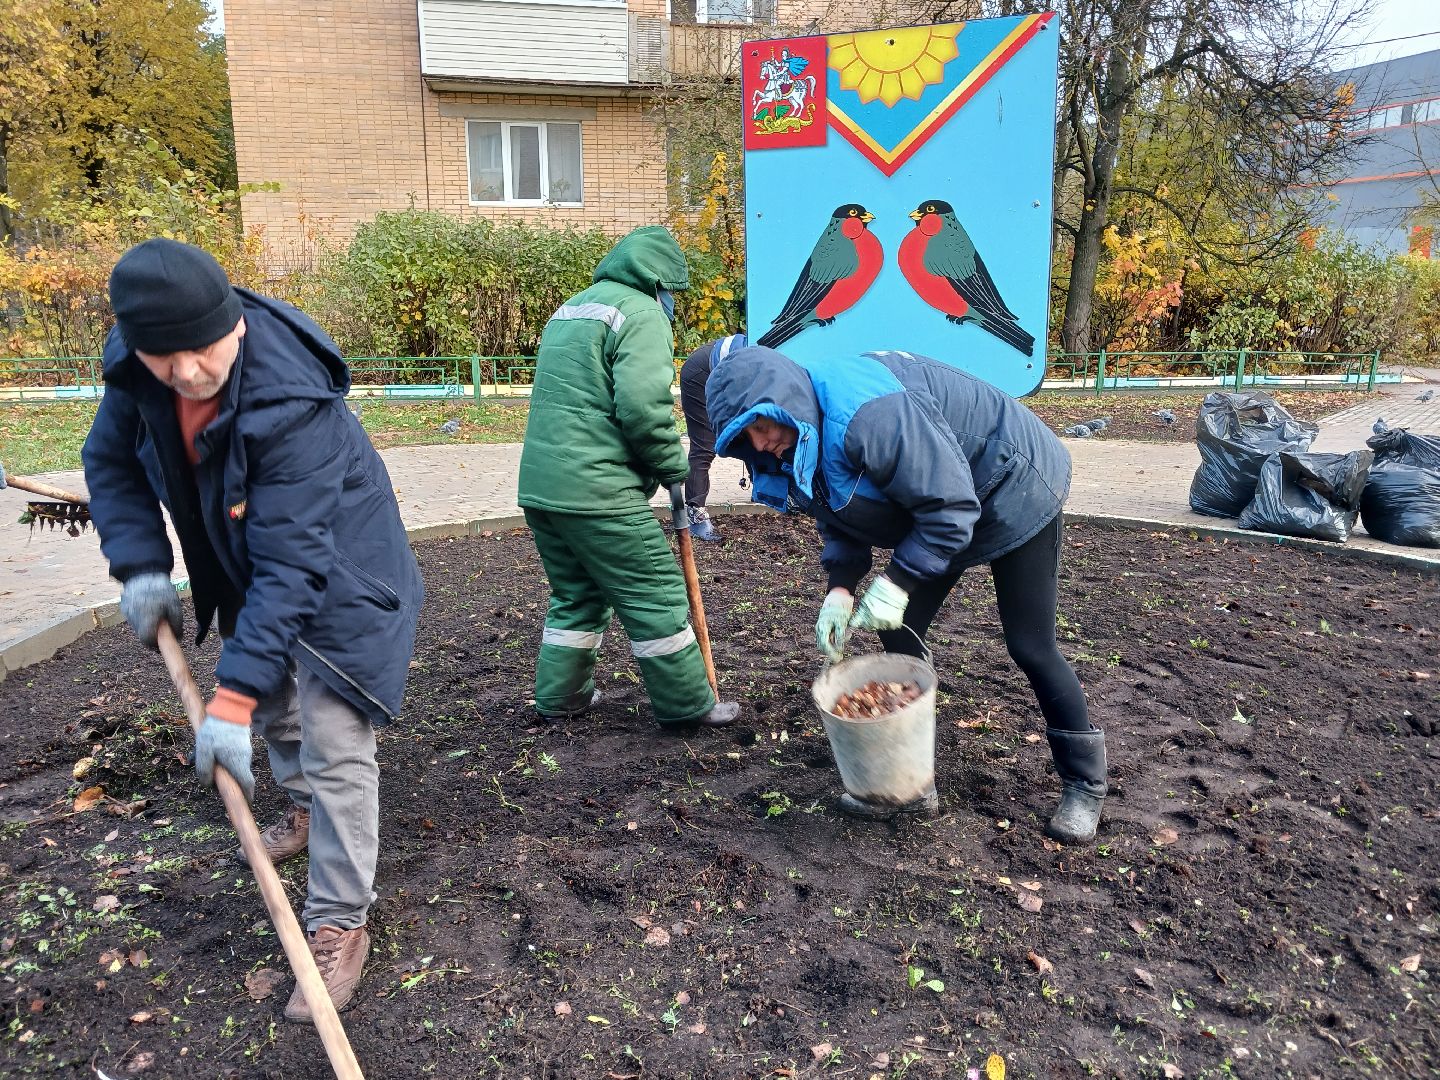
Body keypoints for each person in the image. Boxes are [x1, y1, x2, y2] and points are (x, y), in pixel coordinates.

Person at [82, 238, 424, 1022]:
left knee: (335, 735)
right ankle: (301, 811)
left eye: (208, 348)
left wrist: (225, 701)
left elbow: (295, 569)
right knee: (270, 700)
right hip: (244, 552)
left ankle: (339, 918)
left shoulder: (288, 399)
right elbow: (110, 464)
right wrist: (138, 565)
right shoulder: (137, 371)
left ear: (233, 320)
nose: (195, 372)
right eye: (172, 361)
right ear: (141, 349)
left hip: (343, 567)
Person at [706, 346, 1104, 842]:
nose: (763, 443)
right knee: (900, 632)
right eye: (747, 437)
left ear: (783, 400)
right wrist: (841, 589)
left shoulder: (867, 413)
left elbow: (951, 508)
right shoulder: (796, 439)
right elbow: (839, 513)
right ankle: (909, 781)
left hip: (1012, 481)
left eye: (763, 425)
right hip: (940, 505)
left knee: (1030, 644)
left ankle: (1084, 783)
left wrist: (896, 581)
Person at [517, 226, 739, 730]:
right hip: (599, 491)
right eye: (674, 293)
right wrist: (672, 468)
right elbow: (642, 408)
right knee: (656, 590)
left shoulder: (571, 310)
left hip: (542, 488)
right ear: (659, 280)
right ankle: (688, 705)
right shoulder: (640, 315)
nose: (673, 304)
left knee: (578, 594)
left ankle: (561, 698)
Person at [677, 333, 746, 541]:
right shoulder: (760, 357)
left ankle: (764, 490)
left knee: (754, 435)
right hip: (700, 372)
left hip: (723, 370)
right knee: (704, 446)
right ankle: (695, 515)